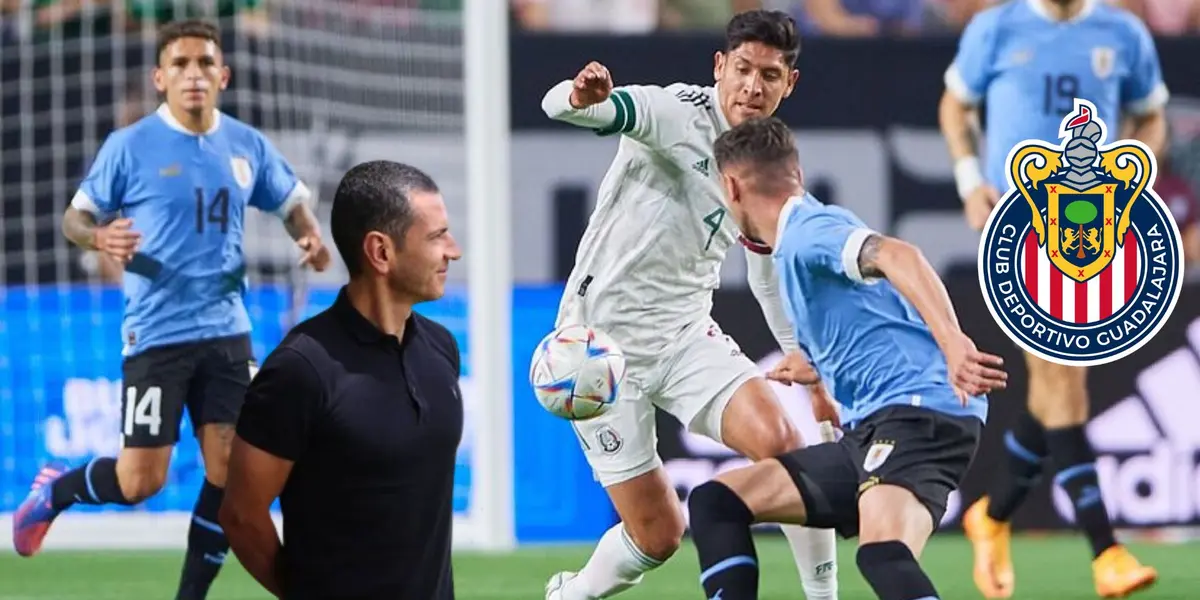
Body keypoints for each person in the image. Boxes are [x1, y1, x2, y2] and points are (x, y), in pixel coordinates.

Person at [12, 19, 330, 600]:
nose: (193, 74)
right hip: (156, 334)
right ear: (160, 78)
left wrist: (308, 236)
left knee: (231, 471)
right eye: (180, 64)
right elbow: (75, 218)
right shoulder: (129, 146)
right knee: (140, 481)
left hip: (227, 331)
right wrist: (98, 237)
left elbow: (290, 201)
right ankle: (55, 490)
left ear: (223, 76)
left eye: (205, 63)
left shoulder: (246, 145)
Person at [539, 9, 840, 600]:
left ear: (790, 83)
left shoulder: (764, 157)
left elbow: (767, 277)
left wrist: (805, 367)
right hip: (598, 349)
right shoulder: (674, 111)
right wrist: (579, 97)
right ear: (719, 66)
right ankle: (570, 595)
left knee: (789, 451)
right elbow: (562, 108)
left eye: (770, 75)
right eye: (743, 69)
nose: (753, 87)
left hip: (683, 334)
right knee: (658, 535)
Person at [688, 115, 1004, 600]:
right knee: (716, 502)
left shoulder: (807, 232)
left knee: (883, 554)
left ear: (731, 187)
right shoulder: (804, 234)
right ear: (796, 172)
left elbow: (900, 255)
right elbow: (871, 311)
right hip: (874, 427)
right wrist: (818, 367)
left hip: (918, 413)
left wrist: (953, 342)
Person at [938, 0, 1166, 595]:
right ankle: (1106, 550)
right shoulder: (997, 28)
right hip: (1018, 231)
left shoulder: (1123, 34)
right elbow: (955, 104)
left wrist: (1132, 175)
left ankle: (991, 516)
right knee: (1062, 378)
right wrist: (969, 180)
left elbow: (1151, 116)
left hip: (1094, 230)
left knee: (1056, 391)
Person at [219, 161, 463, 600]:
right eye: (436, 237)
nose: (453, 250)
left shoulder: (442, 348)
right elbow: (241, 515)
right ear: (380, 252)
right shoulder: (300, 369)